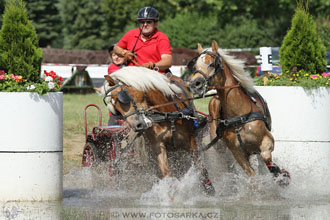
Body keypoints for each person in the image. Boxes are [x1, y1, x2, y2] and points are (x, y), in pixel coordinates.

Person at [113, 6, 172, 74]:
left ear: (156, 24)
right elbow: (116, 48)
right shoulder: (131, 34)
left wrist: (152, 65)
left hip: (155, 76)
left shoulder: (162, 37)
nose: (145, 24)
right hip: (132, 75)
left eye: (149, 22)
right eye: (142, 22)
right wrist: (124, 53)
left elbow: (168, 61)